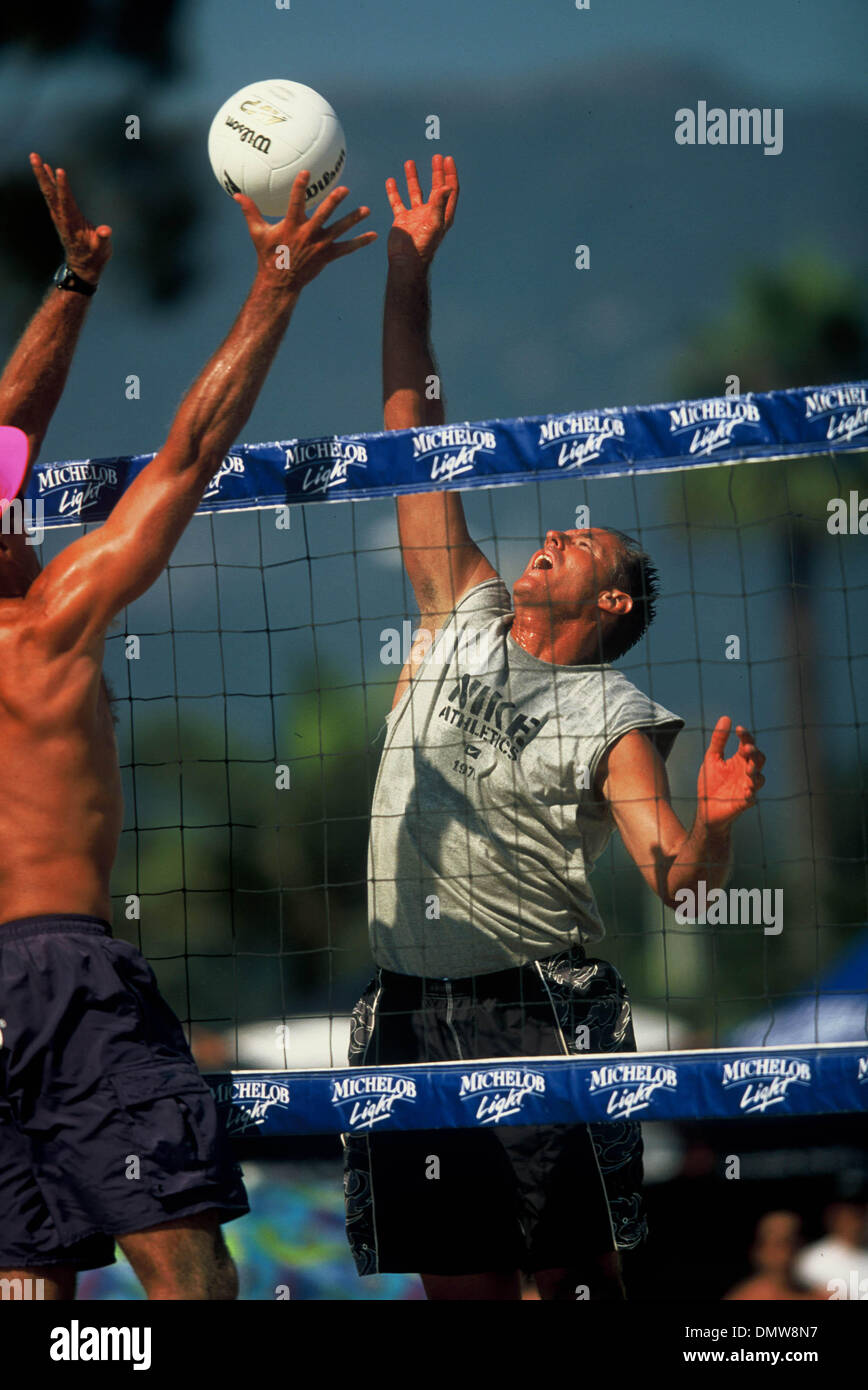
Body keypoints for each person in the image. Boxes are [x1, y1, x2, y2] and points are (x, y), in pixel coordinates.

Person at [342, 154, 766, 1301]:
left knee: (577, 1280)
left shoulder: (614, 711)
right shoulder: (460, 603)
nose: (561, 535)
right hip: (406, 1008)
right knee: (459, 1287)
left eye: (591, 545)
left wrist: (716, 826)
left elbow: (674, 876)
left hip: (537, 1003)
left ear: (612, 602)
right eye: (563, 530)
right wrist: (406, 273)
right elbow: (411, 428)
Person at [0, 155, 375, 1300]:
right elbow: (189, 452)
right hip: (59, 971)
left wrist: (71, 280)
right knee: (190, 1282)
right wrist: (274, 284)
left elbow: (10, 422)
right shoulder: (48, 625)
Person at [724, 1211, 826, 1301]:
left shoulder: (820, 1294)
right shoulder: (746, 1296)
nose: (788, 1251)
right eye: (777, 1243)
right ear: (757, 1250)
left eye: (792, 1242)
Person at [796, 1200, 868, 1299]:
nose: (854, 1224)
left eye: (858, 1216)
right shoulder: (812, 1258)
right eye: (846, 1217)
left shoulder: (865, 1256)